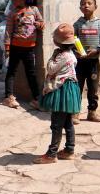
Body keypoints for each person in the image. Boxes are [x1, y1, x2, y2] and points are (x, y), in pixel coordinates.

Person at [34, 23, 81, 164]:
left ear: (57, 42)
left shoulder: (63, 56)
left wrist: (52, 57)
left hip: (62, 91)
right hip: (70, 89)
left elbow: (51, 69)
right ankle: (69, 150)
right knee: (67, 122)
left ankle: (51, 154)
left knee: (56, 124)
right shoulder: (71, 54)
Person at [2, 0, 44, 109]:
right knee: (11, 72)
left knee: (31, 73)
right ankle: (8, 97)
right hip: (15, 47)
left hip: (29, 48)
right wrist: (7, 47)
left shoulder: (34, 10)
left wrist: (39, 24)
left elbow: (41, 22)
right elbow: (8, 31)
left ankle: (36, 99)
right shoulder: (12, 13)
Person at [72, 0, 100, 123]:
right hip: (79, 62)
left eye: (89, 3)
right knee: (77, 88)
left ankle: (92, 112)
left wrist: (97, 50)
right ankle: (75, 113)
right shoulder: (77, 24)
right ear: (80, 7)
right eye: (83, 3)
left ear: (95, 6)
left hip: (93, 62)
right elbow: (72, 40)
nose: (86, 5)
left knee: (93, 89)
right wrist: (75, 51)